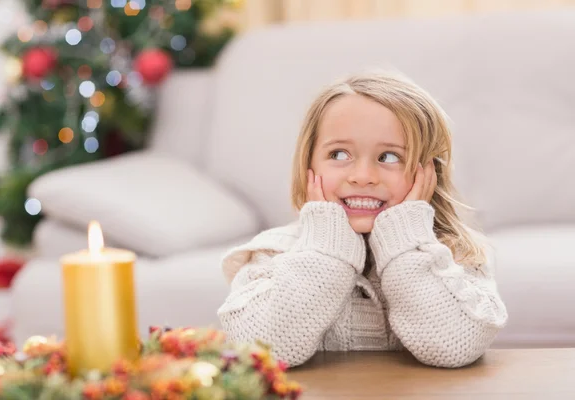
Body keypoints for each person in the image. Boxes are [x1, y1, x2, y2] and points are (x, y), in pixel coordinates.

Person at [217, 71, 508, 368]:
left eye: (390, 157)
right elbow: (259, 350)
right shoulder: (272, 254)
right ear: (308, 164)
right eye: (340, 154)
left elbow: (454, 347)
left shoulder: (457, 255)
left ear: (428, 172)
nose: (363, 177)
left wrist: (406, 240)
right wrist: (326, 248)